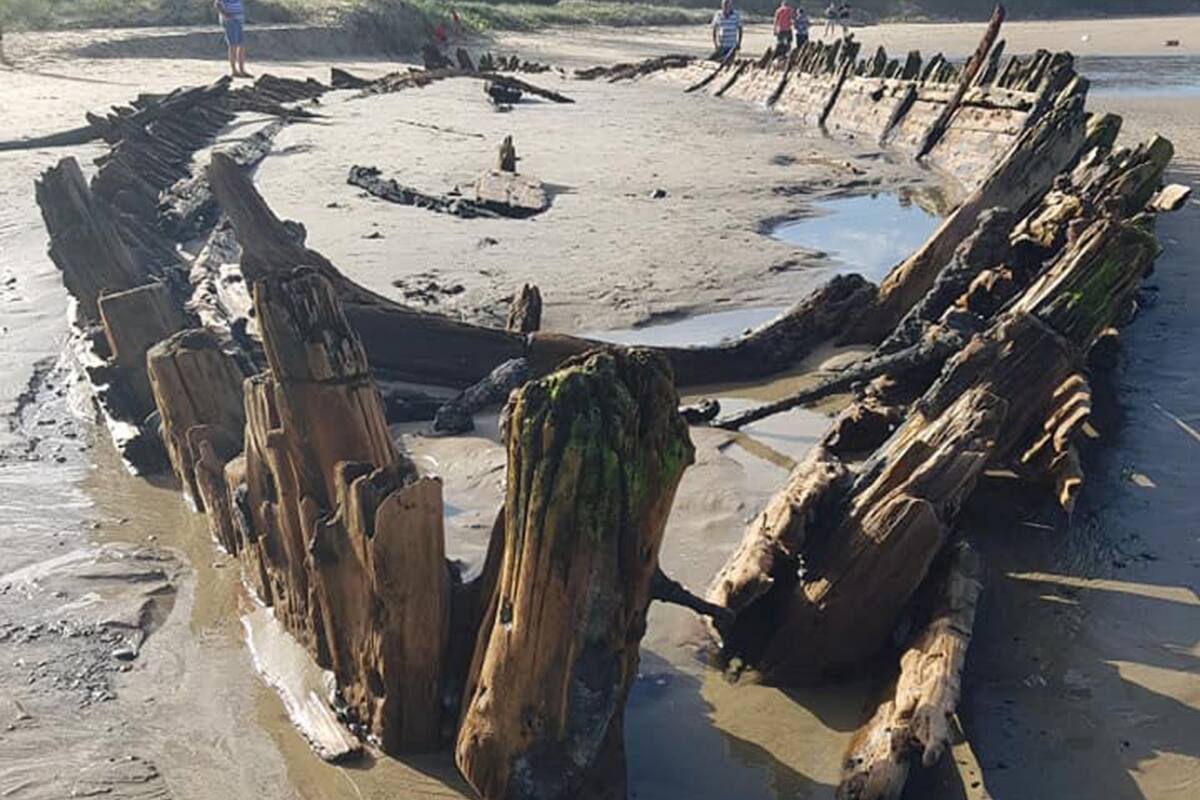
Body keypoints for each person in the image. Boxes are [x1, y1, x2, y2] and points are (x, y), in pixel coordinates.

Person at [213, 0, 249, 78]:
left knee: (242, 45)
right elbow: (217, 3)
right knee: (233, 45)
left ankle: (242, 70)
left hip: (239, 20)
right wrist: (225, 15)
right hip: (231, 20)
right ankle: (234, 71)